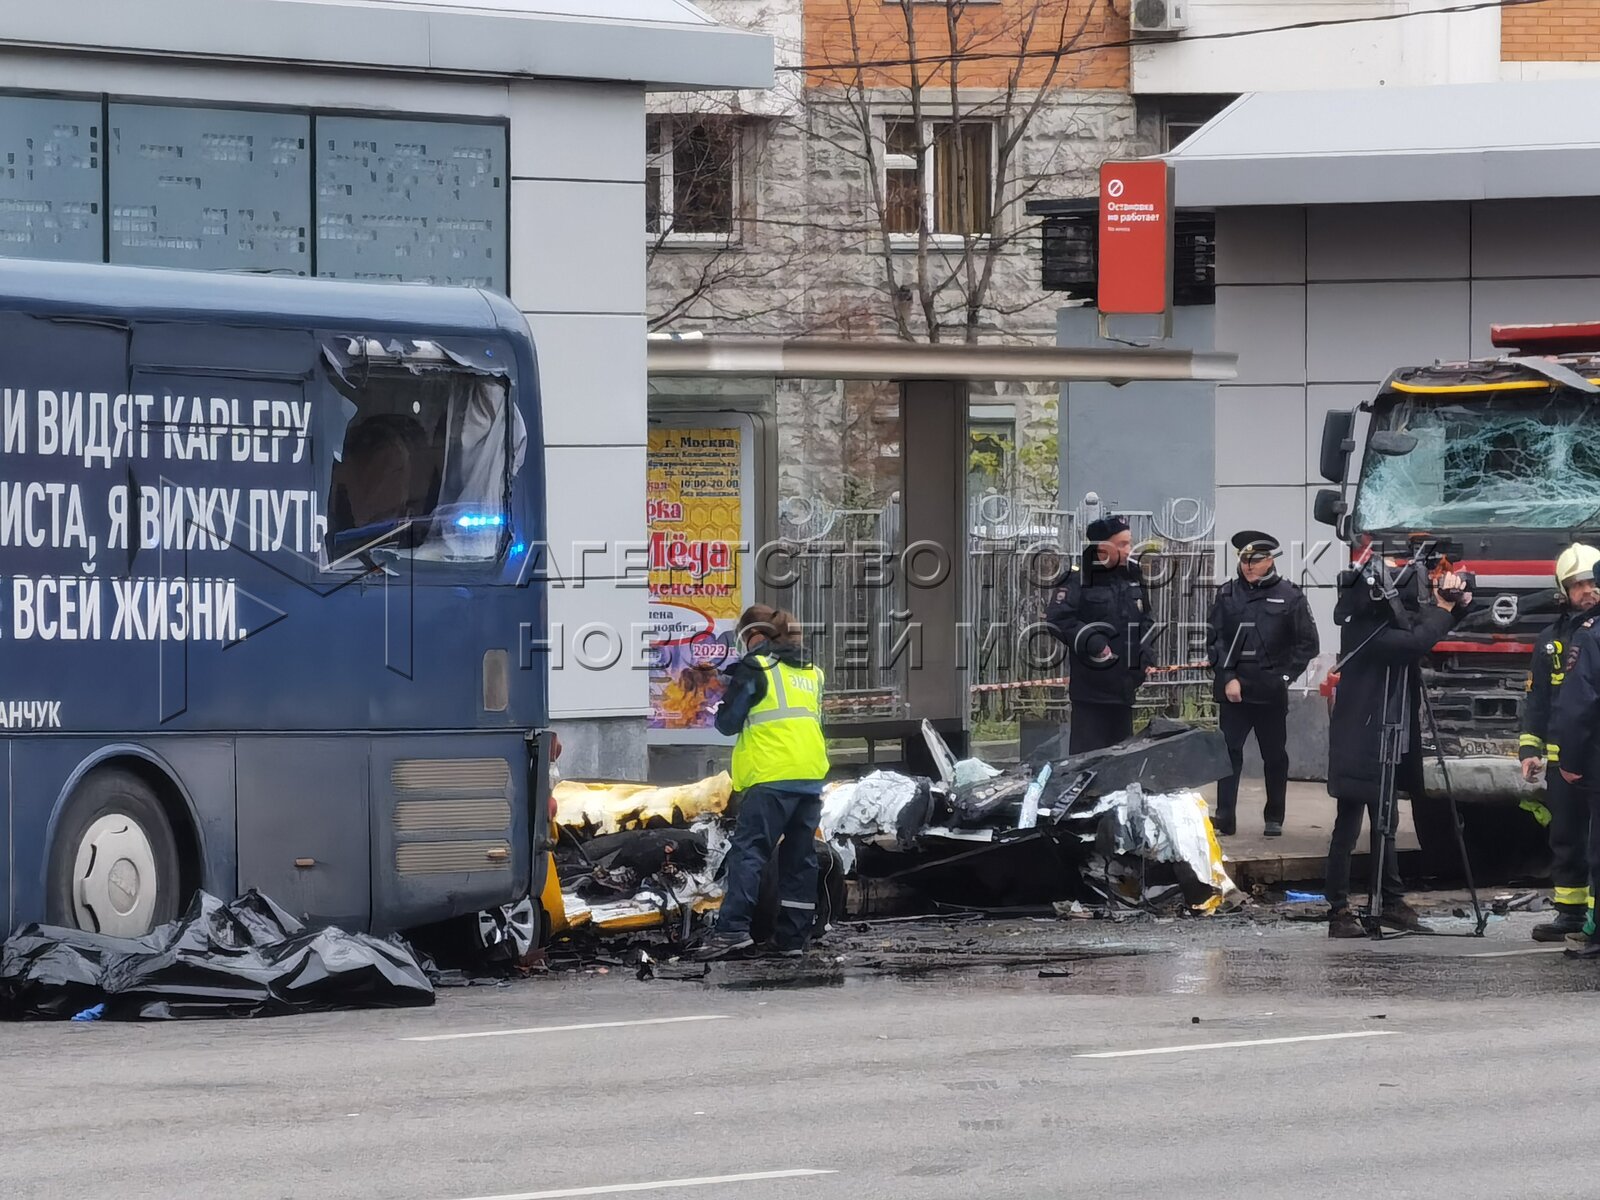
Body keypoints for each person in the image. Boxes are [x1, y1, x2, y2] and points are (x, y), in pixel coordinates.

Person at [1323, 554, 1471, 938]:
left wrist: (1457, 605)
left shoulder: (1385, 624)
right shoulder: (1366, 630)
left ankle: (1391, 900)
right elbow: (1417, 639)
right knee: (1349, 825)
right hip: (1363, 739)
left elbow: (1421, 629)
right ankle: (1338, 909)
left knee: (1386, 822)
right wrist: (1442, 609)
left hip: (1387, 734)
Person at [695, 605, 830, 961]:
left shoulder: (757, 667)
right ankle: (793, 938)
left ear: (752, 636)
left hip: (770, 777)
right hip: (810, 776)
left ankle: (733, 930)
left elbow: (728, 723)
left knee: (750, 853)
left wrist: (721, 695)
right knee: (800, 859)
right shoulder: (812, 672)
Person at [1207, 530, 1320, 838]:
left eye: (1254, 561)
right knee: (1229, 753)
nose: (1248, 566)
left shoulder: (1290, 595)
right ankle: (1225, 816)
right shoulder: (1227, 594)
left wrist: (1284, 678)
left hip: (1271, 693)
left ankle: (1274, 817)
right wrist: (1228, 677)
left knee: (1274, 756)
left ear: (1270, 560)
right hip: (1235, 692)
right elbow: (1215, 641)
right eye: (1244, 560)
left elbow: (1307, 644)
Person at [1518, 544, 1600, 941]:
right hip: (1560, 760)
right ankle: (1569, 912)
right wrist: (1530, 750)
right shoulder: (1550, 640)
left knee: (1596, 842)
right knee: (1566, 836)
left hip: (1595, 756)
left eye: (1591, 582)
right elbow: (1537, 701)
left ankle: (1595, 921)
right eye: (1578, 585)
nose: (1588, 591)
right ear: (1564, 591)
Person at [1046, 514, 1153, 754]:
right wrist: (1093, 642)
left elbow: (1146, 619)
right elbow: (1058, 619)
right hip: (1091, 694)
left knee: (1120, 766)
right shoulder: (1078, 576)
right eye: (1122, 544)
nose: (1129, 550)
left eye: (1130, 542)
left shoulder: (1133, 575)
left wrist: (1145, 655)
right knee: (1088, 765)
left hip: (1124, 690)